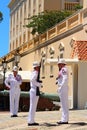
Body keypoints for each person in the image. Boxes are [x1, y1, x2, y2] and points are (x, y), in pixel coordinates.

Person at [28, 61, 42, 126]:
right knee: (33, 106)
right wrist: (39, 84)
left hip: (33, 90)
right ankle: (31, 121)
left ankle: (31, 120)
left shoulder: (33, 72)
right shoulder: (36, 72)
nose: (39, 68)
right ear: (37, 67)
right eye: (38, 67)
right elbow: (33, 80)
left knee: (32, 106)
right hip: (34, 89)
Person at [56, 58, 69, 124]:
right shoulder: (61, 70)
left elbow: (65, 79)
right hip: (62, 88)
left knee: (64, 104)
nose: (58, 65)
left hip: (63, 88)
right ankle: (64, 119)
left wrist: (61, 86)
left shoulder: (64, 69)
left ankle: (64, 120)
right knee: (63, 104)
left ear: (62, 64)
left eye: (59, 64)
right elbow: (60, 78)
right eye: (58, 64)